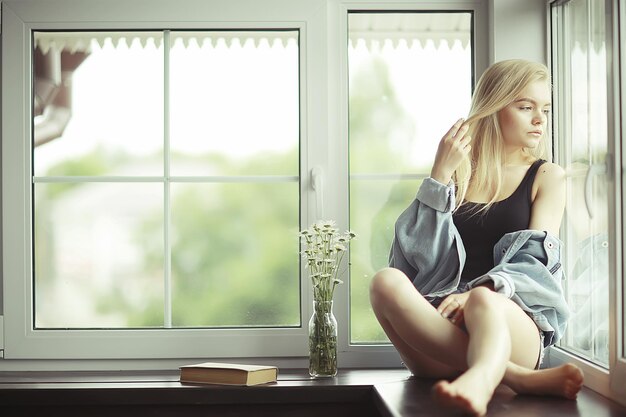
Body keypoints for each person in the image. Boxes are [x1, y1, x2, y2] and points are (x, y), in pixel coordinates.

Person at [369, 59, 584, 416]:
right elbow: (412, 257)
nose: (540, 120)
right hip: (438, 341)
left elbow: (535, 266)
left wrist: (475, 294)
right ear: (494, 107)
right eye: (526, 107)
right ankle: (514, 377)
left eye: (545, 109)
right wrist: (438, 175)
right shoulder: (458, 174)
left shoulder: (547, 176)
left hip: (512, 326)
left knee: (484, 302)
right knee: (384, 282)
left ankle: (491, 374)